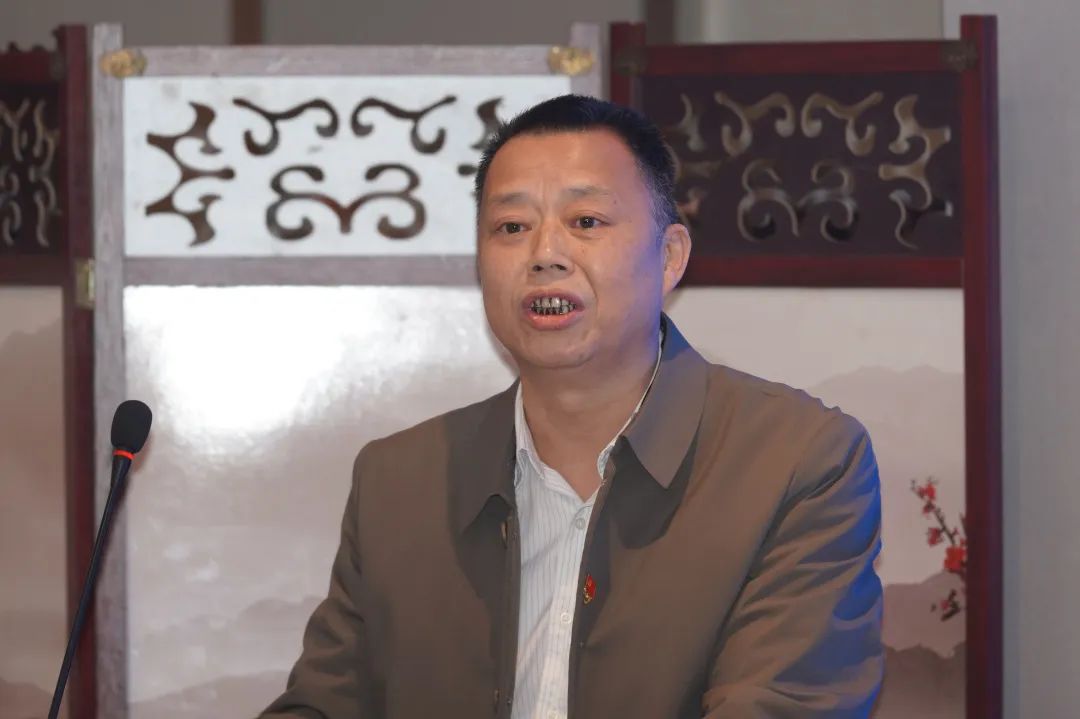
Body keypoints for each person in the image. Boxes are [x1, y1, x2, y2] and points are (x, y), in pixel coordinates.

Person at [259, 94, 883, 719]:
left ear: (669, 257)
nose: (544, 254)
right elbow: (325, 704)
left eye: (586, 221)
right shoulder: (398, 480)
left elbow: (783, 705)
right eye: (511, 227)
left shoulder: (798, 462)